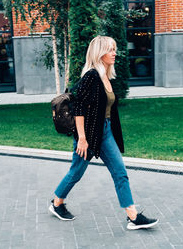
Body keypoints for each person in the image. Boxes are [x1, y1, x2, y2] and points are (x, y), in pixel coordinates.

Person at [49, 36, 158, 230]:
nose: (115, 53)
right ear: (100, 53)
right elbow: (79, 108)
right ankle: (57, 203)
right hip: (89, 135)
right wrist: (82, 139)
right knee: (76, 173)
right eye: (110, 50)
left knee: (120, 173)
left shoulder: (105, 76)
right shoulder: (91, 76)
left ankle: (133, 216)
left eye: (114, 49)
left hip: (105, 133)